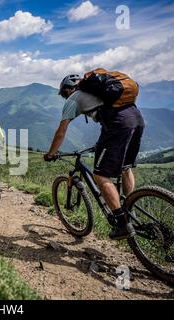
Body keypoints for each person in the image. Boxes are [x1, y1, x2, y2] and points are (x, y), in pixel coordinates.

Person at [44, 74, 145, 240]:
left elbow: (61, 131)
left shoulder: (73, 98)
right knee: (125, 167)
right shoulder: (98, 92)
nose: (65, 97)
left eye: (63, 94)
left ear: (68, 89)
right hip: (136, 119)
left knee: (100, 175)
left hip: (117, 124)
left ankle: (122, 223)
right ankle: (129, 208)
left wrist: (51, 154)